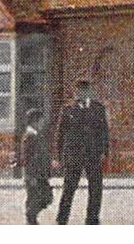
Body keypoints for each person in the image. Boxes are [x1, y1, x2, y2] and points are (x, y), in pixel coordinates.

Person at [55, 80, 109, 225]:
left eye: (84, 90)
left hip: (93, 154)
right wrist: (58, 156)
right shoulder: (67, 110)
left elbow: (104, 131)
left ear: (89, 92)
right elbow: (60, 134)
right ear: (75, 92)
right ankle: (62, 219)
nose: (80, 93)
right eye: (78, 91)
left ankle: (92, 219)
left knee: (96, 188)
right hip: (73, 155)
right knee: (69, 188)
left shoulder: (98, 109)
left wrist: (104, 151)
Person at [20, 109, 54, 224]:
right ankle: (30, 217)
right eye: (41, 121)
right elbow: (27, 158)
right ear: (35, 121)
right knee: (37, 197)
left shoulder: (37, 134)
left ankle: (31, 217)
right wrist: (31, 176)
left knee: (45, 197)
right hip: (34, 175)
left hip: (41, 174)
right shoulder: (29, 136)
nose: (43, 123)